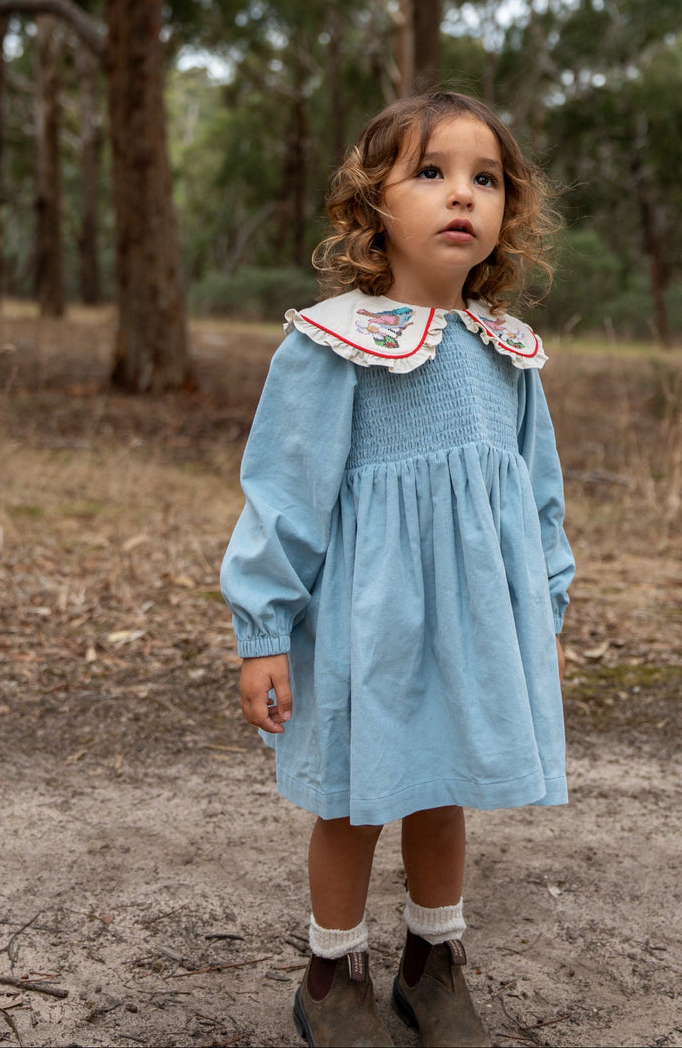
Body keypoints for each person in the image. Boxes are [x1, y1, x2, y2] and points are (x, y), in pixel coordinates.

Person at [220, 90, 574, 1048]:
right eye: (430, 172)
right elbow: (284, 494)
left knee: (443, 780)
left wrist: (544, 601)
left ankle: (435, 964)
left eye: (484, 178)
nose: (461, 194)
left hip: (470, 623)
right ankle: (333, 978)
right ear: (372, 205)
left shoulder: (506, 351)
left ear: (509, 211)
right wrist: (261, 632)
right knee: (351, 795)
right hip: (364, 625)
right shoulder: (336, 343)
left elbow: (537, 494)